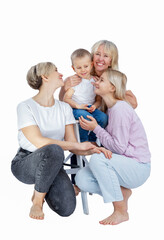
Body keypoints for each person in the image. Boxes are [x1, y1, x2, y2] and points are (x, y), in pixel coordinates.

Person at [11, 62, 105, 220]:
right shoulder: (25, 106)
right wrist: (77, 145)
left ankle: (42, 187)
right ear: (45, 77)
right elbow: (39, 141)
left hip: (53, 162)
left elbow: (73, 146)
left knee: (67, 208)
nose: (61, 74)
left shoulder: (64, 108)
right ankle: (37, 201)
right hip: (26, 162)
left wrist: (94, 149)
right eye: (56, 71)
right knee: (54, 148)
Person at [75, 69, 151, 225]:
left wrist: (95, 128)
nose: (96, 82)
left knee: (97, 160)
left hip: (137, 166)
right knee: (82, 179)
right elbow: (114, 144)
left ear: (112, 87)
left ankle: (120, 211)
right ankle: (122, 192)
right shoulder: (112, 109)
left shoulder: (121, 109)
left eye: (101, 80)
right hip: (123, 164)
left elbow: (119, 148)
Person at [59, 40, 137, 184]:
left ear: (111, 60)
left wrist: (125, 100)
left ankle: (111, 175)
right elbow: (63, 100)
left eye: (106, 56)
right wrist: (65, 87)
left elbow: (128, 105)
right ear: (91, 58)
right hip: (82, 116)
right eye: (97, 54)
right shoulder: (81, 74)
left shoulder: (113, 77)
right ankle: (77, 181)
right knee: (78, 127)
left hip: (106, 124)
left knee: (109, 137)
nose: (101, 58)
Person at [63, 48, 108, 143]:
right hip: (76, 109)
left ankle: (92, 139)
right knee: (85, 117)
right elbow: (66, 98)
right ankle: (83, 141)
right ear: (73, 68)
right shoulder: (75, 82)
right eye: (79, 68)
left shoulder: (94, 81)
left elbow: (98, 99)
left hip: (89, 108)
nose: (83, 70)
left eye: (86, 66)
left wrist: (94, 106)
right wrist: (78, 106)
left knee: (103, 118)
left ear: (91, 65)